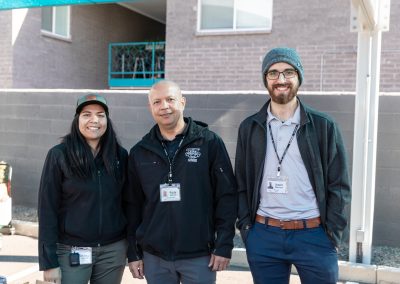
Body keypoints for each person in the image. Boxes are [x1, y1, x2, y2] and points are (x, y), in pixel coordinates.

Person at [235, 47, 351, 284]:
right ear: (265, 80)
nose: (281, 80)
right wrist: (247, 229)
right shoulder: (250, 128)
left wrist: (333, 234)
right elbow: (241, 183)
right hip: (264, 235)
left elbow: (339, 185)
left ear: (299, 77)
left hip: (314, 235)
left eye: (288, 72)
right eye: (273, 73)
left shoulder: (323, 126)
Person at [125, 80, 237, 284]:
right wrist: (133, 252)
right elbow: (132, 206)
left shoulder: (209, 143)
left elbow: (226, 197)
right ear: (150, 108)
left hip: (200, 256)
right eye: (157, 102)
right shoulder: (139, 152)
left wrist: (224, 244)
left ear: (183, 102)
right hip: (155, 257)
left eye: (170, 99)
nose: (164, 106)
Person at [38, 94, 128, 284]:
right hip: (71, 250)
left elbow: (129, 203)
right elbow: (47, 210)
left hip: (113, 251)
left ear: (107, 121)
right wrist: (49, 262)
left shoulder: (120, 156)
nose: (94, 120)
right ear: (77, 119)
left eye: (101, 115)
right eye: (87, 114)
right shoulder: (59, 155)